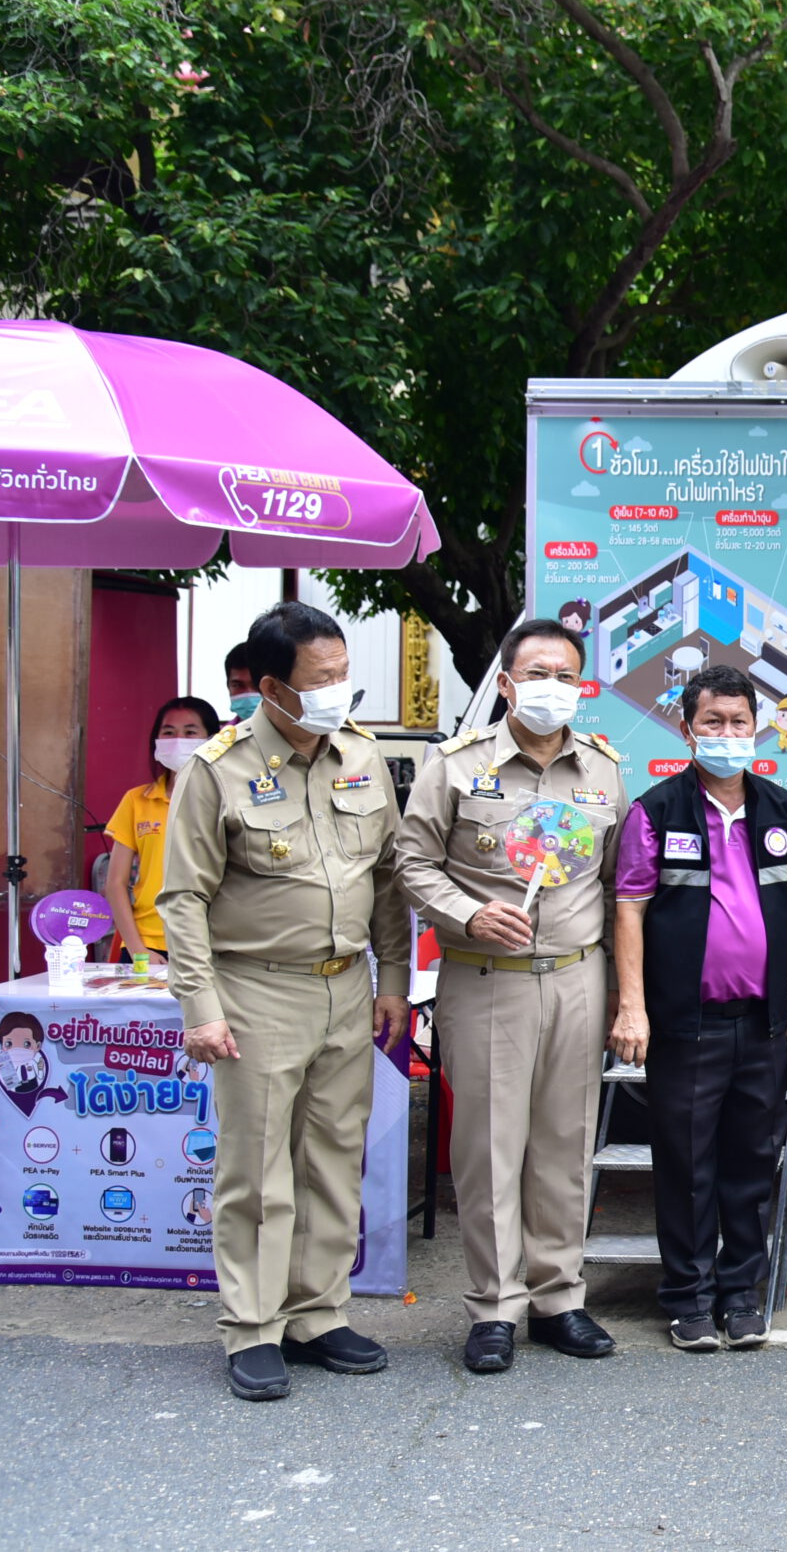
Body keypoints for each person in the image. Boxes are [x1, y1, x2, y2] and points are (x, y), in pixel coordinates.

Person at [159, 600, 412, 1402]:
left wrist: (394, 980)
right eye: (321, 680)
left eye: (344, 676)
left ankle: (317, 1313)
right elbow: (182, 899)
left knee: (334, 1159)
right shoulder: (217, 769)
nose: (339, 691)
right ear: (271, 687)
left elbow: (387, 880)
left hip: (347, 985)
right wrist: (200, 1005)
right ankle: (253, 1325)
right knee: (258, 1168)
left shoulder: (362, 755)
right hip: (256, 988)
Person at [398, 618, 626, 1374]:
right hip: (486, 977)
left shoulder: (602, 771)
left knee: (566, 1144)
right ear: (504, 683)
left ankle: (560, 1297)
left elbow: (617, 882)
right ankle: (495, 1306)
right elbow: (411, 862)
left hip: (577, 975)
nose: (551, 688)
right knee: (490, 1148)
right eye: (536, 674)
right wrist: (467, 913)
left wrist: (622, 992)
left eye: (566, 675)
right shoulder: (455, 765)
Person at [611, 664, 787, 1354]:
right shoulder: (657, 810)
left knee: (751, 1165)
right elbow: (630, 910)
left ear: (756, 728)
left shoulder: (782, 809)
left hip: (762, 1022)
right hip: (686, 1022)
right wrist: (633, 1007)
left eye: (739, 722)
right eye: (713, 722)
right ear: (687, 729)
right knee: (687, 1167)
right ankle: (688, 1299)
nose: (728, 733)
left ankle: (740, 1296)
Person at [101, 696, 222, 969]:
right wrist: (137, 949)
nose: (178, 740)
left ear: (212, 739)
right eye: (168, 732)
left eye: (190, 732)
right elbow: (115, 883)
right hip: (148, 945)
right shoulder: (137, 800)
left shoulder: (227, 798)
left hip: (213, 944)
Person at [223, 643, 261, 722]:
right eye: (238, 685)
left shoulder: (288, 729)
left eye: (256, 684)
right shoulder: (224, 730)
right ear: (228, 687)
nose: (249, 694)